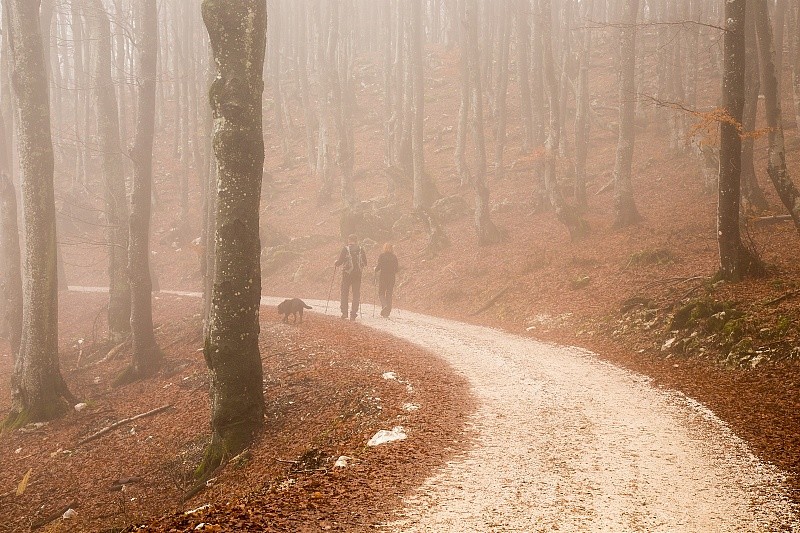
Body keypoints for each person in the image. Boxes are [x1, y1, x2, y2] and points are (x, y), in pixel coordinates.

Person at [334, 234, 367, 320]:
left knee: (344, 293)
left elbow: (340, 262)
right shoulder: (361, 249)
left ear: (349, 240)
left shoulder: (346, 249)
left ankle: (344, 313)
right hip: (357, 275)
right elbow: (365, 263)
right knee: (356, 294)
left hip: (347, 274)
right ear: (356, 240)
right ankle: (353, 314)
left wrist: (336, 263)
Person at [374, 242, 399, 318]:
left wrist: (375, 269)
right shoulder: (394, 257)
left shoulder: (382, 256)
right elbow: (397, 269)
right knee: (389, 294)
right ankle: (387, 312)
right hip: (391, 278)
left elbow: (378, 267)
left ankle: (384, 305)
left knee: (381, 292)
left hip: (383, 277)